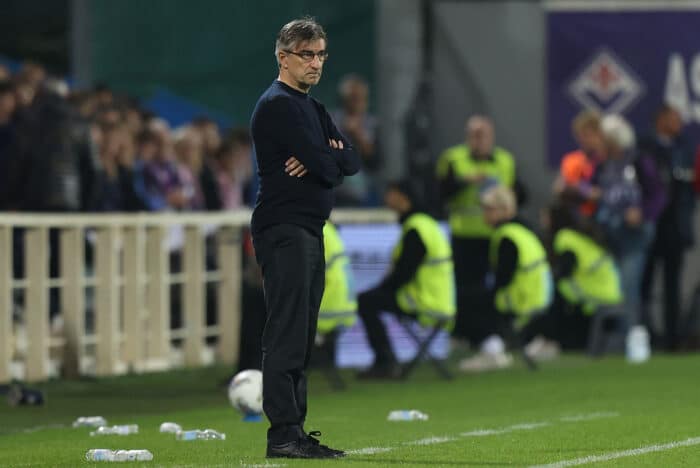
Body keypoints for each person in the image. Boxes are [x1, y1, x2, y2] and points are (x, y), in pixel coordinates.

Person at [250, 17, 360, 459]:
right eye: (307, 54)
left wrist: (324, 158)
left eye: (320, 54)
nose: (316, 63)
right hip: (284, 227)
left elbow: (351, 161)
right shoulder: (278, 105)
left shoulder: (312, 108)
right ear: (283, 57)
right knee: (287, 332)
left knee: (302, 333)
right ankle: (283, 434)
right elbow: (329, 165)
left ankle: (295, 430)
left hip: (308, 228)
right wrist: (324, 158)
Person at [356, 180, 455, 378]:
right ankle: (385, 361)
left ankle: (384, 362)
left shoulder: (415, 228)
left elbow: (404, 272)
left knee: (366, 301)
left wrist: (382, 289)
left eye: (390, 193)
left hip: (423, 301)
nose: (386, 198)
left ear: (402, 197)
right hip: (439, 300)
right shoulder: (425, 224)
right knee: (372, 298)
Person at [435, 115, 516, 348]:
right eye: (474, 135)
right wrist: (465, 181)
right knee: (463, 287)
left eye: (483, 135)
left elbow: (513, 192)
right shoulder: (452, 158)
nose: (479, 141)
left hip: (496, 235)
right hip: (464, 234)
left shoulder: (505, 160)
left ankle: (493, 333)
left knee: (495, 286)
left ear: (492, 136)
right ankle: (463, 333)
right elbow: (440, 192)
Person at [459, 185, 552, 372]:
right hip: (536, 297)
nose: (484, 214)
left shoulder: (507, 236)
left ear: (503, 210)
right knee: (476, 296)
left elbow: (503, 279)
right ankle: (498, 346)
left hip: (519, 299)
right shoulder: (521, 231)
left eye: (488, 209)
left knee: (464, 301)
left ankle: (492, 351)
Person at [639, 104, 697, 350]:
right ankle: (644, 335)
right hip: (649, 224)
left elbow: (690, 187)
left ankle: (672, 339)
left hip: (675, 227)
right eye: (674, 119)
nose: (679, 124)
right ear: (661, 120)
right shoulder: (644, 147)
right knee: (644, 283)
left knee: (672, 285)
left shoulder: (684, 148)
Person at [331, 74, 380, 206]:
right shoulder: (331, 120)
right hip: (334, 189)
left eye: (361, 98)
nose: (357, 103)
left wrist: (358, 135)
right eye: (353, 98)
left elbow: (375, 162)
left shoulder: (372, 124)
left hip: (363, 192)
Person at [314, 221, 357, 366]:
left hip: (324, 311)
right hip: (345, 309)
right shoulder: (328, 228)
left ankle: (260, 366)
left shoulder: (309, 230)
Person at [555, 109, 607, 216]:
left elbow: (604, 194)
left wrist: (581, 188)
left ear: (601, 135)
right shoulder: (571, 160)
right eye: (580, 135)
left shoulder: (609, 160)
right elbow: (559, 188)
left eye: (588, 135)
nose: (583, 140)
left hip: (603, 215)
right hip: (575, 215)